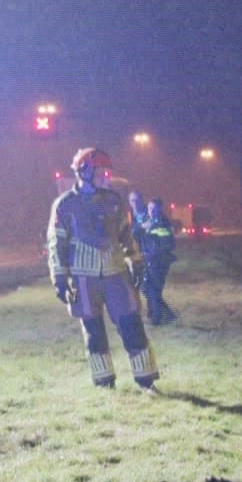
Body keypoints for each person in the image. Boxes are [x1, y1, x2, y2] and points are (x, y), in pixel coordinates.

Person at [46, 148, 160, 390]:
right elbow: (57, 243)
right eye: (100, 171)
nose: (105, 176)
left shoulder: (113, 201)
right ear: (84, 171)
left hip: (116, 275)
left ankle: (146, 380)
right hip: (83, 280)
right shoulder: (65, 205)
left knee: (132, 325)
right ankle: (104, 383)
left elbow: (125, 235)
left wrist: (136, 260)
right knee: (94, 333)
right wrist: (59, 278)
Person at [141, 198, 179, 325]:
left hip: (160, 261)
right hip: (150, 260)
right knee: (147, 288)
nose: (151, 211)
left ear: (159, 209)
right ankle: (167, 314)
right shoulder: (150, 222)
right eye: (149, 208)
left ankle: (157, 318)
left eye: (154, 209)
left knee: (154, 290)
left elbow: (166, 243)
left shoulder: (163, 223)